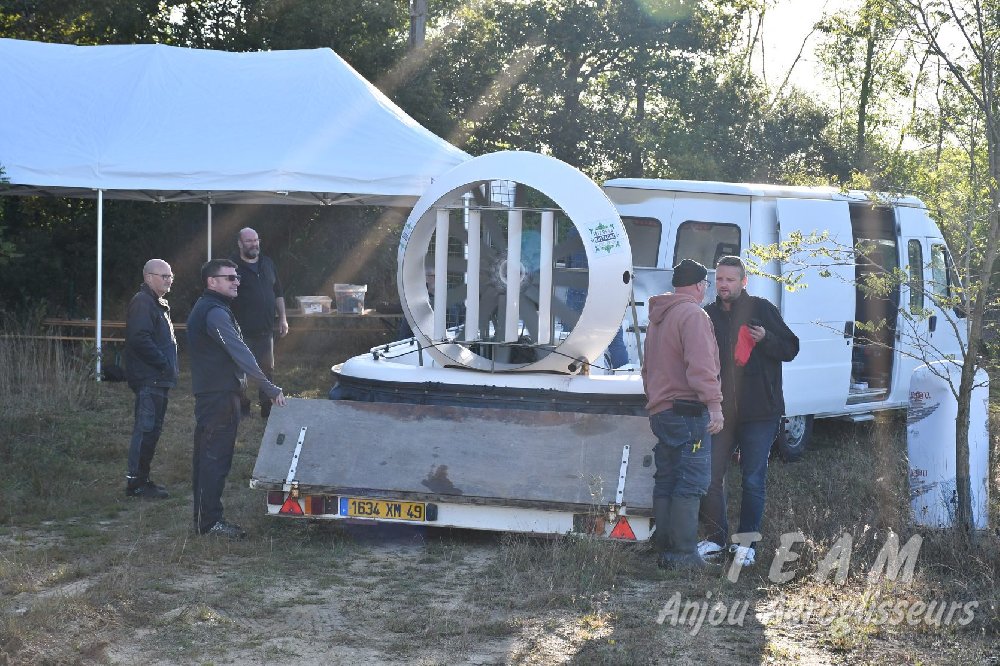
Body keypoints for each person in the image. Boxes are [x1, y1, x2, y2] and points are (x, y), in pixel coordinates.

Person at [699, 255, 799, 566]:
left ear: (743, 282)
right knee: (711, 477)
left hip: (760, 412)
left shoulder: (762, 309)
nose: (723, 285)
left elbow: (791, 348)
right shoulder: (707, 315)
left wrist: (766, 338)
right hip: (721, 412)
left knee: (753, 479)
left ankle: (746, 545)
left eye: (730, 280)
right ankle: (715, 539)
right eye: (719, 279)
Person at [187, 259, 287, 539]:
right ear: (212, 282)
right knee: (214, 459)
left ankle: (203, 519)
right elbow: (240, 352)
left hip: (215, 395)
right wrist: (268, 387)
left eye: (238, 278)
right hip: (218, 398)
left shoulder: (214, 308)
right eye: (230, 278)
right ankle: (209, 523)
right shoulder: (214, 312)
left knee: (207, 458)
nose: (237, 282)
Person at [641, 259, 724, 568]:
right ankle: (684, 555)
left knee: (667, 479)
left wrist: (655, 399)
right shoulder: (693, 314)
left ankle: (663, 549)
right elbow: (701, 366)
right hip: (688, 413)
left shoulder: (658, 316)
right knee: (691, 481)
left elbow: (647, 368)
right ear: (700, 285)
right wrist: (714, 405)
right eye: (707, 285)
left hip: (661, 411)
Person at [123, 259, 179, 499]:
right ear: (148, 277)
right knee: (145, 431)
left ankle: (142, 480)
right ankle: (136, 484)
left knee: (152, 431)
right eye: (163, 276)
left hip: (158, 378)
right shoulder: (143, 302)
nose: (168, 280)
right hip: (150, 378)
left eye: (170, 276)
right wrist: (163, 363)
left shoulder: (157, 303)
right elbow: (139, 338)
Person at [230, 227, 288, 419]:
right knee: (240, 372)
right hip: (240, 331)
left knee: (267, 369)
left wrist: (283, 318)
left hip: (265, 330)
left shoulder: (267, 263)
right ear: (240, 243)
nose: (254, 244)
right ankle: (242, 408)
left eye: (256, 240)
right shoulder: (232, 267)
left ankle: (267, 407)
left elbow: (278, 292)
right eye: (249, 241)